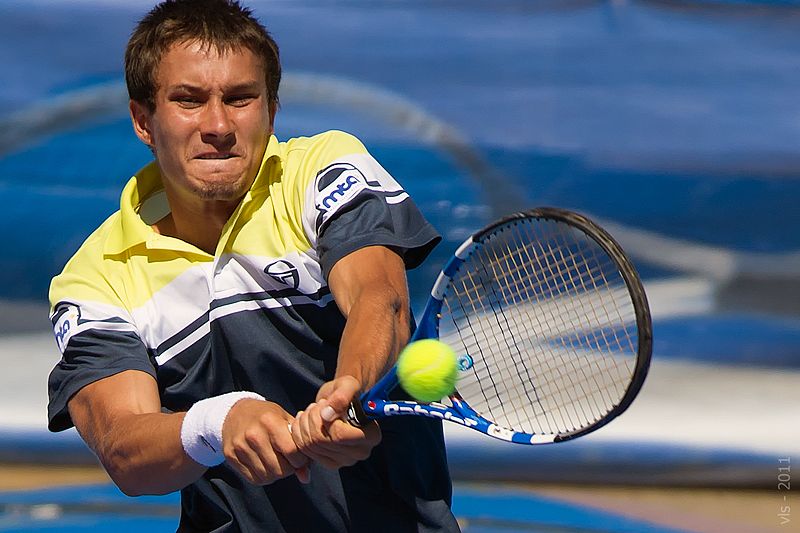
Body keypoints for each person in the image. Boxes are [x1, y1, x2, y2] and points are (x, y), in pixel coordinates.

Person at [46, 0, 459, 531]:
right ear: (143, 120)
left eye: (240, 99)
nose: (218, 124)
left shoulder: (322, 170)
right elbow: (123, 446)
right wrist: (218, 422)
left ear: (271, 110)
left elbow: (381, 298)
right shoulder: (95, 278)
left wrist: (349, 393)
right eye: (189, 101)